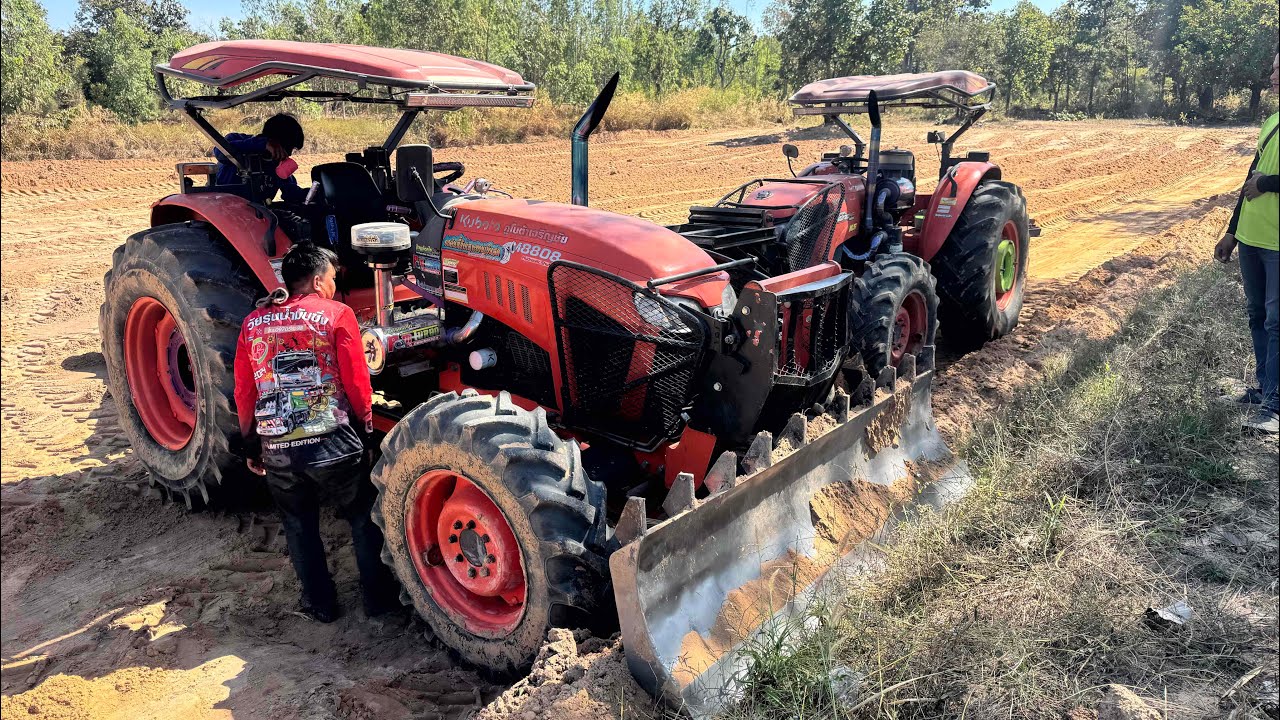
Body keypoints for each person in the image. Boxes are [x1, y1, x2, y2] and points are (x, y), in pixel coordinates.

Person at [233, 244, 400, 621]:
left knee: (298, 524)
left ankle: (320, 606)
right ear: (317, 278)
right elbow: (357, 381)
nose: (335, 285)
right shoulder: (337, 314)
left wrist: (251, 442)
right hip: (333, 442)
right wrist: (366, 429)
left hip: (277, 446)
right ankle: (379, 604)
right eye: (333, 278)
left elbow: (244, 390)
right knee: (361, 516)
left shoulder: (252, 323)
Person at [1215, 54, 1280, 434]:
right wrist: (1232, 231)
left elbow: (1263, 182)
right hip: (1253, 238)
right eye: (1272, 68)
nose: (1272, 75)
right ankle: (1264, 388)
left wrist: (1268, 185)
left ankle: (1276, 406)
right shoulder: (1271, 122)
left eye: (1279, 69)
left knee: (1278, 323)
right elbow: (1249, 180)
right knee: (1258, 316)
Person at [214, 113, 309, 204]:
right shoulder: (236, 140)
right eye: (288, 148)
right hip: (222, 209)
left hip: (257, 214)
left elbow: (291, 193)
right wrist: (263, 143)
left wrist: (315, 192)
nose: (289, 154)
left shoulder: (276, 164)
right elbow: (220, 153)